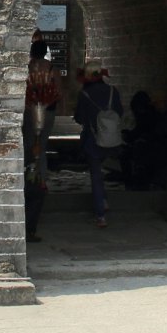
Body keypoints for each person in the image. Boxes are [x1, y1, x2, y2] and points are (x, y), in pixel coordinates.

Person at [73, 62, 122, 228]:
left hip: (93, 140)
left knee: (95, 175)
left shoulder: (85, 95)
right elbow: (119, 112)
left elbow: (79, 118)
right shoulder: (112, 92)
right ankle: (104, 200)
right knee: (100, 172)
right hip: (111, 139)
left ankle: (100, 214)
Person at [21, 42, 61, 240]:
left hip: (29, 110)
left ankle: (29, 171)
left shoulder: (27, 68)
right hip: (48, 110)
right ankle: (40, 177)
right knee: (41, 144)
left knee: (29, 142)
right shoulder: (51, 69)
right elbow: (58, 91)